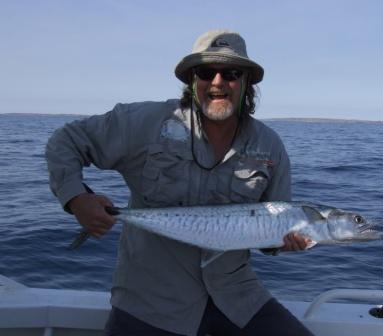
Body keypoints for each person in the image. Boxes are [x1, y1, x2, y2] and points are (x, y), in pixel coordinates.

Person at [46, 29, 314, 336]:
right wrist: (76, 198)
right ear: (192, 79)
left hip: (237, 297)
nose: (218, 82)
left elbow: (271, 231)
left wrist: (284, 241)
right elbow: (66, 141)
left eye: (231, 73)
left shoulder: (269, 146)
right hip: (150, 301)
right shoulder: (147, 122)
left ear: (246, 82)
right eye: (205, 72)